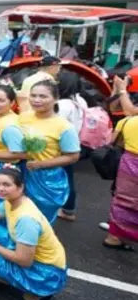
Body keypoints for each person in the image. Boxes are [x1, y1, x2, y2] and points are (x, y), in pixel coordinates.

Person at [0, 166, 67, 300]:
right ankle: (10, 272)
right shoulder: (13, 201)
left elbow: (24, 261)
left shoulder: (26, 220)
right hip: (31, 252)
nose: (0, 188)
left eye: (6, 185)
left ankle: (35, 293)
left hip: (44, 271)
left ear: (20, 187)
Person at [18, 81, 80, 223]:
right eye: (33, 95)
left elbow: (73, 156)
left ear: (56, 98)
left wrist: (41, 164)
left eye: (43, 96)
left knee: (39, 219)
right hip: (21, 172)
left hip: (46, 178)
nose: (36, 100)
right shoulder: (23, 117)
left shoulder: (64, 127)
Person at [56, 71, 88, 222]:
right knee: (68, 175)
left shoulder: (62, 104)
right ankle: (68, 208)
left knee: (61, 177)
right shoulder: (80, 100)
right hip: (75, 142)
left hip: (61, 145)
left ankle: (66, 208)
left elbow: (55, 125)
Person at [103, 115, 138, 250]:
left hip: (128, 163)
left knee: (123, 200)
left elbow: (113, 141)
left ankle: (113, 237)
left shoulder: (127, 121)